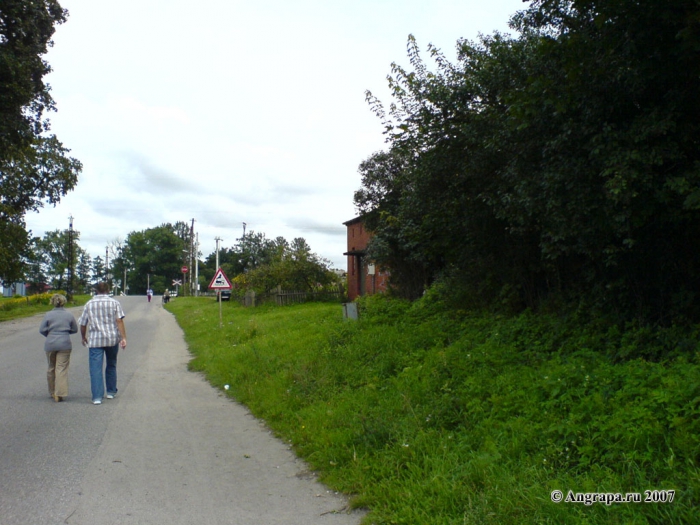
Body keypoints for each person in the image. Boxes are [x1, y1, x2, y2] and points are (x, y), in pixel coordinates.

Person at [79, 282, 127, 405]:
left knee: (95, 369)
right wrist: (123, 338)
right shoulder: (114, 303)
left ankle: (97, 397)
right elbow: (119, 321)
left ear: (96, 290)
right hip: (112, 339)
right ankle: (110, 392)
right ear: (108, 290)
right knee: (111, 364)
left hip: (95, 340)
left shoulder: (89, 304)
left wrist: (83, 336)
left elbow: (83, 323)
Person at [39, 294, 78, 402]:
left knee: (51, 367)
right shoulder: (69, 315)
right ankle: (59, 393)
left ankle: (52, 392)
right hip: (64, 343)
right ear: (64, 302)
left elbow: (42, 330)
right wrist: (65, 332)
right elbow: (74, 329)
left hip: (50, 343)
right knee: (61, 368)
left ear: (52, 302)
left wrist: (50, 334)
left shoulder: (48, 315)